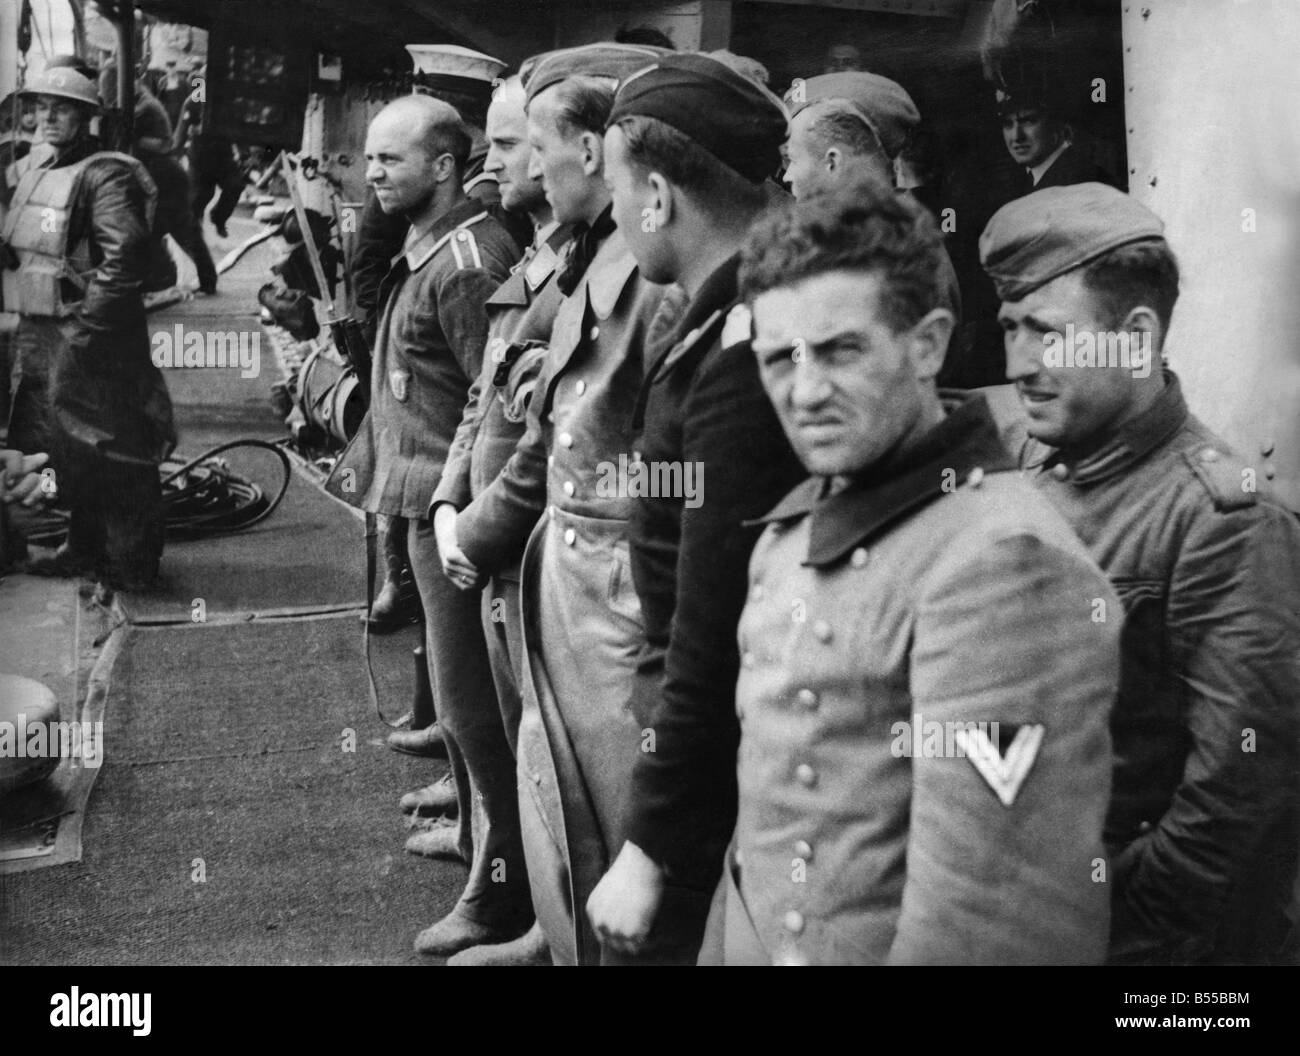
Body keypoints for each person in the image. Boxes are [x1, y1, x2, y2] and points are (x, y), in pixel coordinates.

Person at [703, 178, 1119, 965]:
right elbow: (765, 838)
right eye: (778, 361)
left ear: (927, 344)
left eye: (841, 351)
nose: (806, 392)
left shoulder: (1001, 565)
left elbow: (992, 915)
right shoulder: (794, 528)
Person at [982, 182, 1300, 964]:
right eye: (1010, 330)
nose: (1020, 365)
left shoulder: (1222, 519)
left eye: (1048, 335)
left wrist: (1124, 919)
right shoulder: (1030, 465)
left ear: (1135, 335)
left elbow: (1237, 795)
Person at [450, 42, 666, 965]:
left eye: (536, 143)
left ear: (595, 149)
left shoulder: (635, 268)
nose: (524, 166)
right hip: (547, 555)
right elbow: (506, 399)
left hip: (599, 575)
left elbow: (571, 434)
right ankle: (551, 925)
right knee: (553, 779)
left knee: (611, 802)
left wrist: (476, 520)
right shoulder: (580, 255)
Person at [585, 52, 804, 964]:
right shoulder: (731, 313)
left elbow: (712, 624)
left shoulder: (744, 353)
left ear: (661, 197)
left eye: (617, 190)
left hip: (718, 776)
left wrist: (653, 844)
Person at [321, 95, 527, 957]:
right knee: (456, 700)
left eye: (389, 162)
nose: (372, 177)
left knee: (479, 709)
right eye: (367, 160)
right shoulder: (430, 245)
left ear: (443, 166)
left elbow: (496, 408)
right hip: (417, 496)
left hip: (454, 512)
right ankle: (479, 833)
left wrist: (462, 515)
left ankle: (500, 888)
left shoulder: (471, 259)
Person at [415, 74, 576, 964]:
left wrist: (471, 526)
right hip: (485, 534)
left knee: (540, 747)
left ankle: (526, 913)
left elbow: (553, 436)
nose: (495, 160)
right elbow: (483, 401)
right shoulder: (542, 257)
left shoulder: (582, 267)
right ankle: (513, 901)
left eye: (511, 144)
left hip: (521, 547)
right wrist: (449, 501)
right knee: (499, 733)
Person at [3, 66, 174, 591]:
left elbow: (124, 258)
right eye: (42, 107)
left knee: (112, 447)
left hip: (89, 336)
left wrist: (87, 331)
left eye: (62, 107)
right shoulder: (36, 167)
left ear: (86, 116)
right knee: (65, 446)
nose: (48, 117)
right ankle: (83, 548)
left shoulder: (107, 174)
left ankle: (131, 566)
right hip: (41, 331)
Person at [998, 89, 1115, 195]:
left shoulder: (1081, 179)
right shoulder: (1026, 180)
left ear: (1057, 125)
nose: (1016, 136)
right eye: (1008, 124)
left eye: (1029, 121)